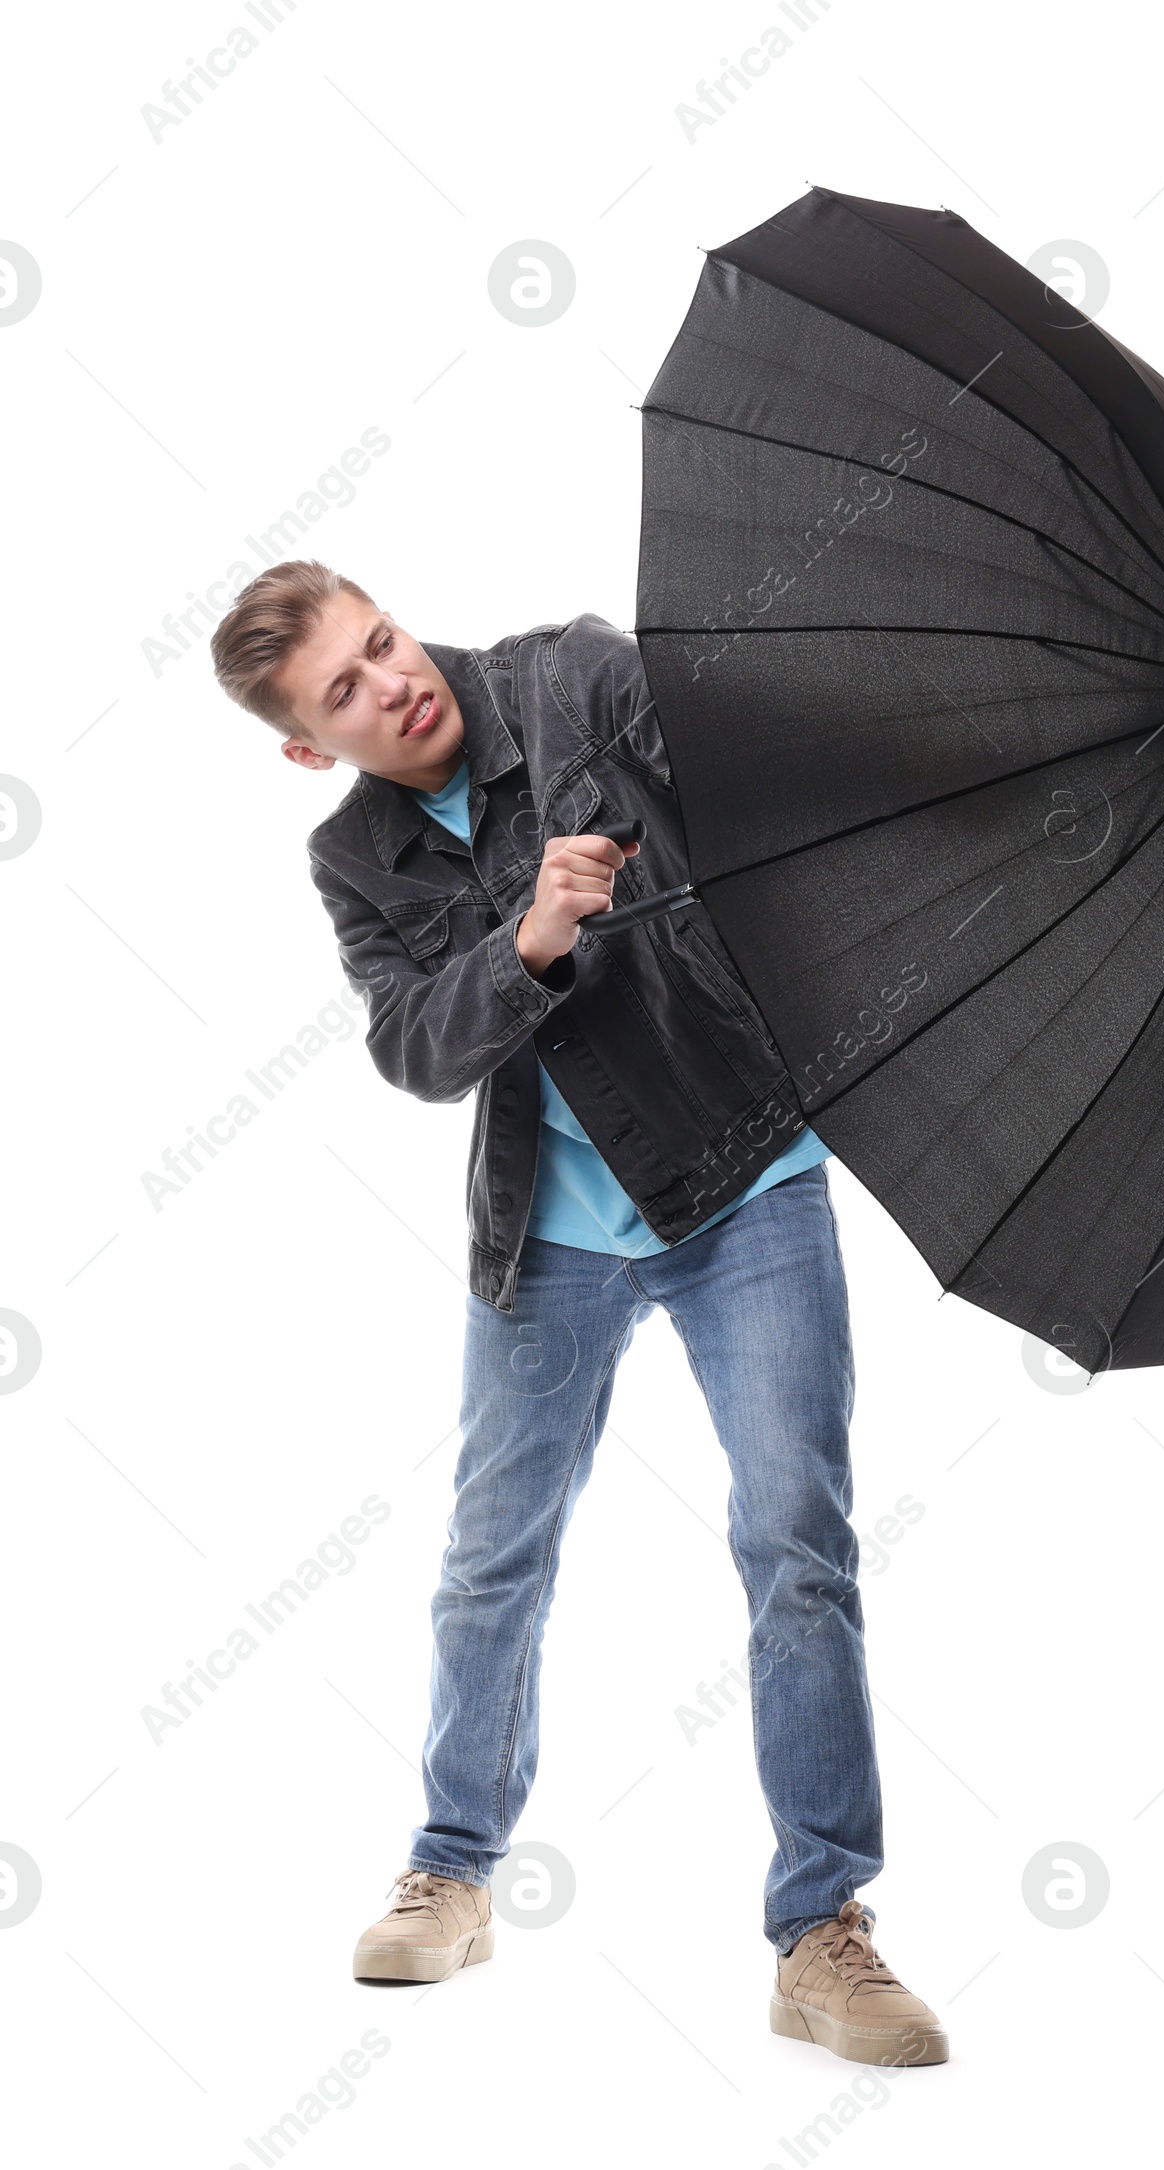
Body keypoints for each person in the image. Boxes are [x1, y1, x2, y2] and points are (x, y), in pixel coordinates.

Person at [208, 560, 948, 2068]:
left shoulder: (577, 679)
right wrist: (532, 938)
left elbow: (756, 803)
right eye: (342, 691)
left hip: (747, 1173)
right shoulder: (354, 855)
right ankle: (453, 1865)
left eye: (382, 642)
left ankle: (823, 1927)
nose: (392, 682)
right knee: (495, 1552)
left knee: (796, 1537)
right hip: (546, 1229)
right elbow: (414, 1047)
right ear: (306, 743)